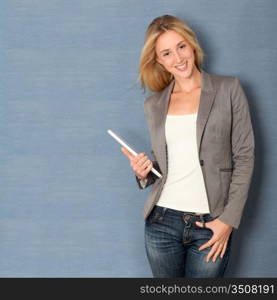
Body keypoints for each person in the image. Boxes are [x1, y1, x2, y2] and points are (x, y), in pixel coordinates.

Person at [121, 15, 255, 278]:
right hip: (161, 222)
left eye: (181, 47)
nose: (178, 58)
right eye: (167, 53)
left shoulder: (229, 89)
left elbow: (245, 156)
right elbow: (167, 163)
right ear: (158, 60)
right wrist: (143, 172)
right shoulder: (154, 104)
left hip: (210, 220)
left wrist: (228, 220)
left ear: (192, 45)